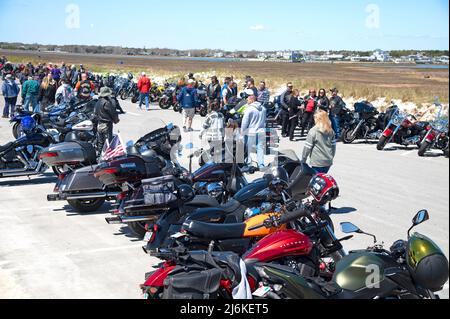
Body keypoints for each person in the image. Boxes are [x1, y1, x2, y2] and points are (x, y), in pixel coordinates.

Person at [241, 89, 267, 169]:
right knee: (260, 149)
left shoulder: (249, 109)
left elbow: (245, 122)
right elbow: (264, 120)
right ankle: (261, 164)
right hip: (261, 131)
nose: (246, 100)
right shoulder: (263, 108)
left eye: (248, 99)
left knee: (248, 148)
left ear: (251, 100)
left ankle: (249, 163)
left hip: (251, 131)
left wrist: (242, 132)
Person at [94, 87, 120, 153]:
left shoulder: (98, 102)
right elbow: (113, 113)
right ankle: (107, 158)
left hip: (99, 124)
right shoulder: (107, 103)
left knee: (100, 143)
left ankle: (99, 156)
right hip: (106, 125)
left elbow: (95, 113)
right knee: (108, 143)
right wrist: (116, 120)